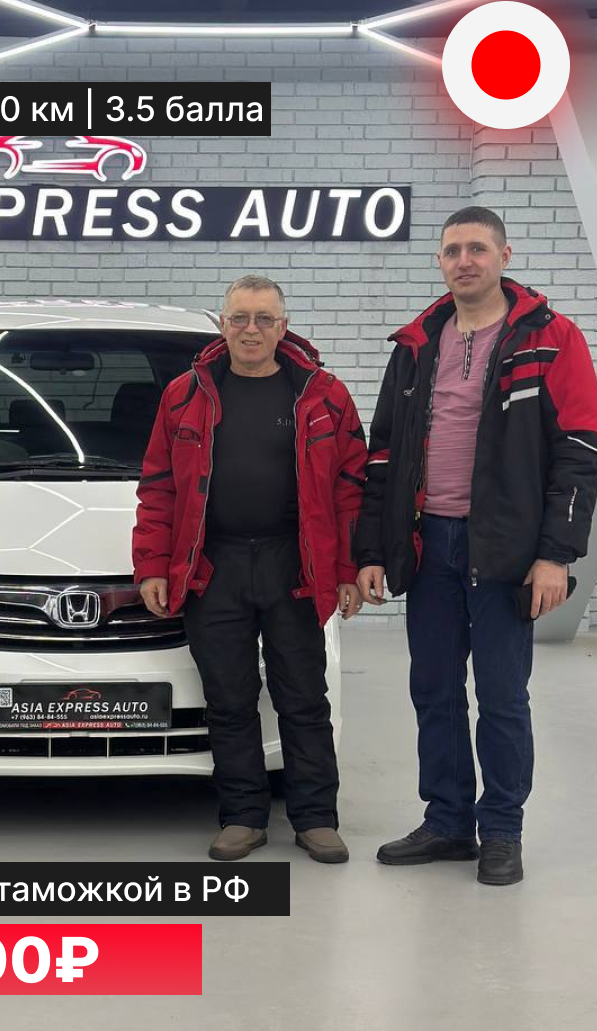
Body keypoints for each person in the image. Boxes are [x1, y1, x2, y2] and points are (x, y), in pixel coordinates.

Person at [355, 206, 597, 885]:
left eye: (476, 248)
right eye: (451, 250)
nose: (463, 261)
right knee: (434, 691)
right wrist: (372, 550)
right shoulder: (416, 344)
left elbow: (583, 450)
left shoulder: (551, 338)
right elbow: (383, 455)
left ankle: (501, 831)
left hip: (506, 550)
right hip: (428, 545)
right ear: (440, 261)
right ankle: (446, 822)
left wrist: (556, 554)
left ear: (504, 255)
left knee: (501, 697)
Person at [132, 275, 367, 863]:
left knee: (303, 696)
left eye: (264, 318)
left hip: (296, 564)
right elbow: (159, 487)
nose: (251, 329)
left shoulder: (323, 395)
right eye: (240, 318)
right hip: (214, 566)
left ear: (283, 327)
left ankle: (315, 817)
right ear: (223, 324)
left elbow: (350, 489)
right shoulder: (185, 395)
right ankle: (242, 817)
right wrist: (152, 565)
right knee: (229, 699)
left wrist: (347, 568)